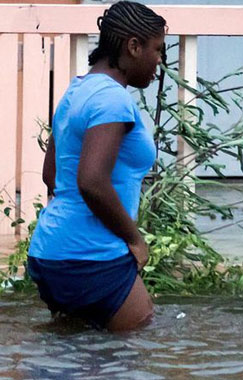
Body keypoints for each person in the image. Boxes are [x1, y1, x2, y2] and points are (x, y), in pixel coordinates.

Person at [27, 1, 166, 332]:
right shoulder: (112, 99)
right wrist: (135, 240)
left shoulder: (77, 91)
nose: (159, 61)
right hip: (92, 256)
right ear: (133, 46)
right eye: (157, 50)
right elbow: (91, 181)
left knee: (75, 361)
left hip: (50, 253)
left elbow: (52, 176)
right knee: (134, 357)